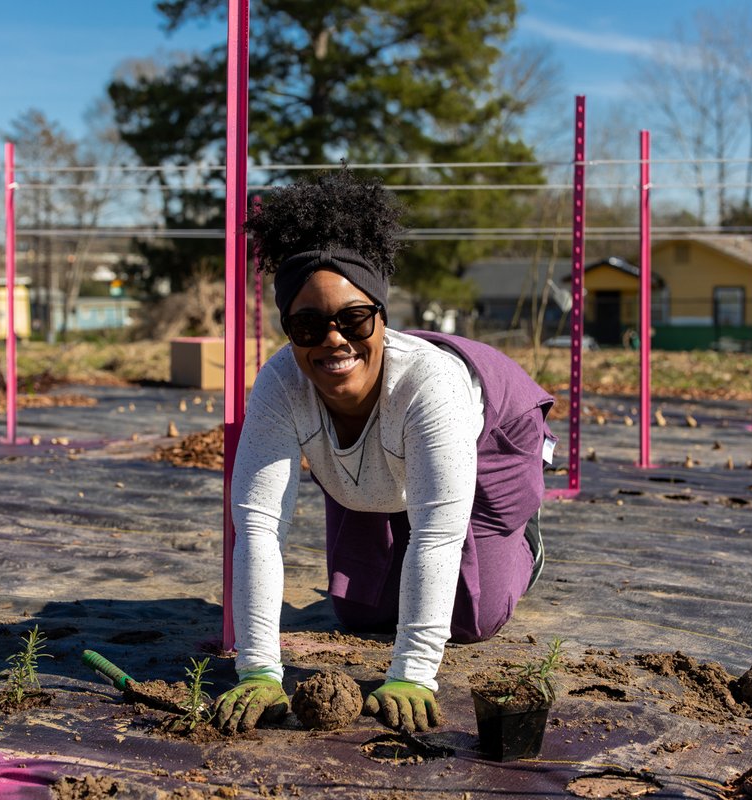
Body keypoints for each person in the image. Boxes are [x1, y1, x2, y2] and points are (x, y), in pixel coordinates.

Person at [214, 169, 555, 735]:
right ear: (288, 329)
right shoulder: (280, 385)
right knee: (360, 611)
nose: (333, 339)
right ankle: (398, 502)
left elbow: (437, 536)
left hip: (491, 434)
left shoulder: (431, 387)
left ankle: (525, 544)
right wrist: (258, 669)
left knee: (472, 616)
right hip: (377, 462)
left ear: (381, 315)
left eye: (354, 319)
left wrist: (413, 673)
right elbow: (257, 527)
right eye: (308, 325)